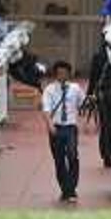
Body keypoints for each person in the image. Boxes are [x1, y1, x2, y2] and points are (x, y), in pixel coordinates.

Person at [41, 61, 86, 204]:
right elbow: (46, 110)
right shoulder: (49, 90)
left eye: (65, 73)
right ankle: (65, 190)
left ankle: (71, 189)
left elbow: (82, 104)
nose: (62, 75)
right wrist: (50, 126)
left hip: (71, 127)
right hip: (56, 128)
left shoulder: (76, 88)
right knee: (59, 160)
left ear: (69, 73)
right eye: (59, 73)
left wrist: (89, 103)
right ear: (55, 74)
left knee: (73, 156)